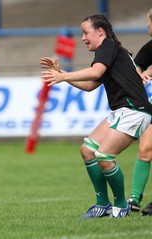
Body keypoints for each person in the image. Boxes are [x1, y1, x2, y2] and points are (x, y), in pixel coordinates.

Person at [40, 14, 152, 218]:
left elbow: (95, 72)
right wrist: (63, 75)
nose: (82, 37)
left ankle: (120, 206)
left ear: (100, 32)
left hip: (134, 111)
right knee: (87, 150)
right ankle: (103, 204)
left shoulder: (107, 46)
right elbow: (91, 85)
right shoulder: (109, 50)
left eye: (85, 32)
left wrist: (63, 75)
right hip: (122, 110)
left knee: (104, 156)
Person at [127, 8, 152, 215]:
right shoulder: (150, 47)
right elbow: (136, 67)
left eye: (149, 21)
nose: (147, 25)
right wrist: (143, 74)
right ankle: (134, 199)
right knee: (145, 149)